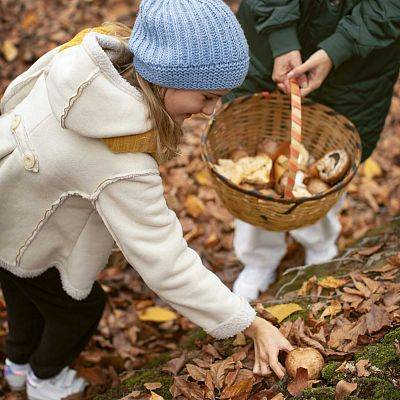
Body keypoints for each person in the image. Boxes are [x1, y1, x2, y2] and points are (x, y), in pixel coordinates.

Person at [0, 1, 294, 399]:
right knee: (78, 311)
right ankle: (43, 378)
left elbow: (14, 97)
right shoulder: (120, 158)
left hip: (10, 207)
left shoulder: (83, 59)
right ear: (166, 77)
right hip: (26, 232)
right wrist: (250, 322)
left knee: (22, 293)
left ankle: (16, 365)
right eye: (206, 97)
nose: (210, 112)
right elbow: (166, 263)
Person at [226, 0, 400, 301]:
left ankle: (319, 244)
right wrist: (281, 38)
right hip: (269, 41)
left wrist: (338, 48)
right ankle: (259, 257)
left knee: (329, 162)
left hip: (360, 64)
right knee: (258, 163)